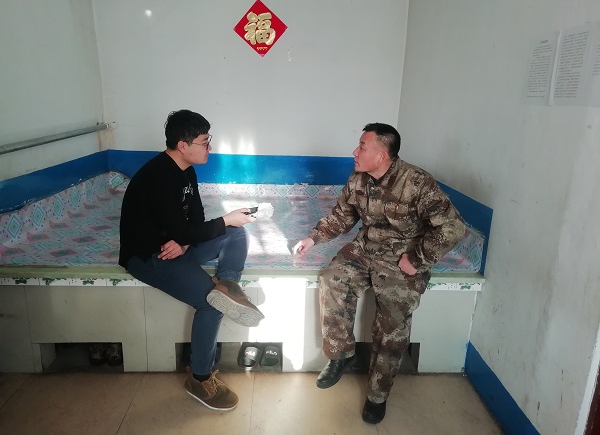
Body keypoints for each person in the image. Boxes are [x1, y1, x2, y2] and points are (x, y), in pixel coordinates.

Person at [293, 123, 466, 424]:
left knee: (391, 321)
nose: (354, 152)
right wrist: (313, 238)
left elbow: (453, 227)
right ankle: (341, 355)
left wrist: (418, 259)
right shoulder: (358, 178)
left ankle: (377, 394)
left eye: (362, 146)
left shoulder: (416, 182)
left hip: (403, 255)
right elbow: (342, 215)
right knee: (332, 278)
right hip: (366, 247)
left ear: (382, 155)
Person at [119, 109, 264, 411]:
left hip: (178, 246)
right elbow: (188, 228)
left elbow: (195, 221)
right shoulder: (158, 177)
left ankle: (228, 286)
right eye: (205, 142)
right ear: (183, 145)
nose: (210, 147)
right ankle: (199, 378)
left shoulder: (187, 171)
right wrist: (220, 221)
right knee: (210, 303)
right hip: (151, 256)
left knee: (236, 233)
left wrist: (186, 240)